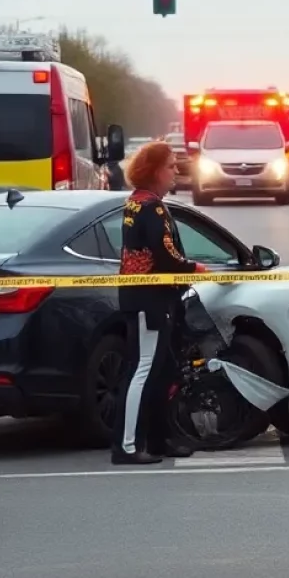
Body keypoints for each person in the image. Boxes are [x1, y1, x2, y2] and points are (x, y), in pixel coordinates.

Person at [112, 140, 203, 465]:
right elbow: (166, 255)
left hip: (149, 297)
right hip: (149, 300)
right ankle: (127, 446)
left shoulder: (136, 203)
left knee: (162, 370)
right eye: (170, 166)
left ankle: (159, 439)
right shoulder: (151, 207)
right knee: (143, 369)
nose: (176, 172)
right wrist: (194, 268)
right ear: (154, 171)